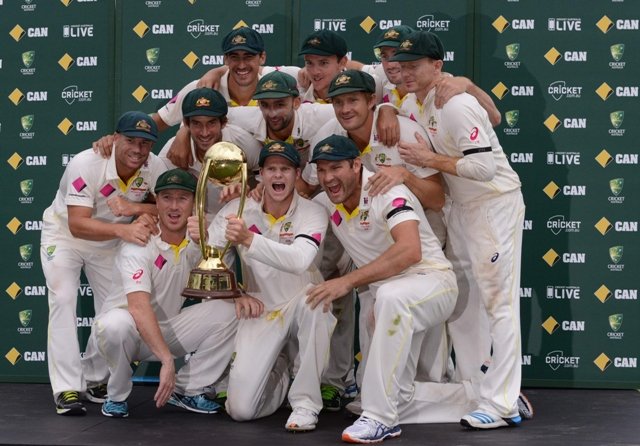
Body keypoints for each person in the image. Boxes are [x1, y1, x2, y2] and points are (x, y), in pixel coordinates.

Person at [393, 30, 525, 429]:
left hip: (492, 205)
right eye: (404, 65)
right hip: (462, 209)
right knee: (466, 306)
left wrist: (429, 157)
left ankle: (503, 404)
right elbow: (496, 117)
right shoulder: (420, 100)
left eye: (416, 65)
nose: (407, 72)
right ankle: (477, 389)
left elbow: (483, 169)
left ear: (437, 65)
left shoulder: (456, 103)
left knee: (500, 305)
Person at [307, 135, 458, 443]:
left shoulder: (387, 191)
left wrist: (347, 281)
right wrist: (257, 192)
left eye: (336, 167)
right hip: (391, 299)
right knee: (398, 395)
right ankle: (483, 396)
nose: (328, 178)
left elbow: (410, 251)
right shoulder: (325, 202)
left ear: (356, 164)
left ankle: (379, 419)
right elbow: (290, 207)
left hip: (433, 282)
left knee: (388, 297)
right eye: (321, 170)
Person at [89, 169, 260, 418]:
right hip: (126, 332)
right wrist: (167, 361)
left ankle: (187, 389)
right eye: (167, 198)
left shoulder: (197, 241)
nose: (174, 206)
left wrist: (239, 295)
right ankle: (116, 395)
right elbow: (137, 308)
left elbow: (216, 279)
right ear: (155, 203)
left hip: (165, 329)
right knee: (116, 323)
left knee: (232, 311)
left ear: (194, 204)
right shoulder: (139, 242)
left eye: (182, 198)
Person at [190, 141, 335, 431]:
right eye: (271, 169)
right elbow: (213, 260)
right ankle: (280, 371)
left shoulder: (314, 212)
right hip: (261, 307)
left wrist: (248, 240)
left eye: (285, 169)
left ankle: (306, 404)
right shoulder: (238, 208)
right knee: (240, 410)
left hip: (301, 298)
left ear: (297, 173)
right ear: (260, 175)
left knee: (317, 303)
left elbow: (299, 259)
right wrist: (201, 240)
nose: (278, 176)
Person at [41, 111, 167, 415]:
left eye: (145, 143)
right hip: (65, 236)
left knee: (113, 309)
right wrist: (124, 228)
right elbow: (77, 224)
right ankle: (68, 388)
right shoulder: (87, 162)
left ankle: (96, 377)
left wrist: (133, 207)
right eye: (130, 140)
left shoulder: (155, 166)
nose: (137, 149)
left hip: (110, 242)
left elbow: (168, 203)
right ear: (115, 138)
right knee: (64, 297)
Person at [158, 86, 262, 215]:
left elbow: (265, 174)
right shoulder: (173, 149)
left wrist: (252, 191)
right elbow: (154, 193)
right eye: (196, 123)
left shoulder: (241, 141)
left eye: (211, 123)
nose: (204, 132)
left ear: (223, 123)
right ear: (186, 124)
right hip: (193, 222)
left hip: (235, 219)